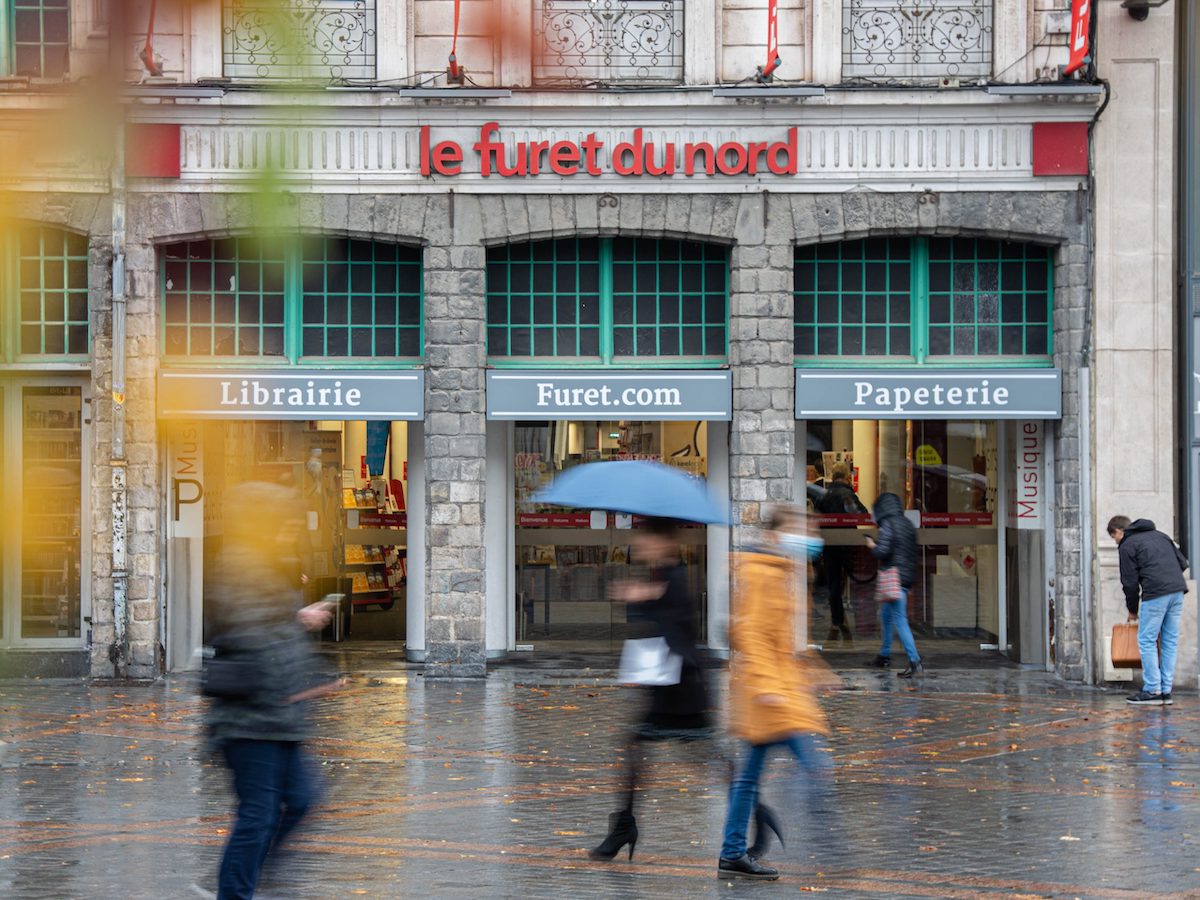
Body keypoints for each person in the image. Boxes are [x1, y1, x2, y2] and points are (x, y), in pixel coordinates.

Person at [201, 482, 345, 900]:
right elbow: (249, 635)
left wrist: (297, 617)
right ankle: (236, 889)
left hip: (278, 717)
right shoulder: (241, 565)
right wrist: (304, 683)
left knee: (301, 799)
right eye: (283, 523)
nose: (289, 531)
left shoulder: (267, 564)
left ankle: (247, 875)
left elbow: (269, 625)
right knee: (259, 815)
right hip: (250, 718)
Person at [718, 505, 835, 881]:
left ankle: (733, 852)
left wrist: (815, 671)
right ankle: (834, 853)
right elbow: (751, 634)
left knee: (748, 778)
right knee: (816, 767)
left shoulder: (782, 571)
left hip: (776, 694)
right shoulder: (763, 573)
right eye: (797, 529)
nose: (806, 537)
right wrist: (770, 687)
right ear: (774, 535)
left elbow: (781, 640)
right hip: (771, 697)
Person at [589, 517, 712, 863]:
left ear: (664, 542)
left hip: (681, 688)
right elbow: (653, 617)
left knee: (705, 760)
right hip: (666, 686)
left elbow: (674, 626)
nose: (639, 543)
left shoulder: (674, 576)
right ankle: (624, 826)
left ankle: (754, 811)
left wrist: (642, 596)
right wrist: (639, 595)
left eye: (646, 538)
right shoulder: (662, 575)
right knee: (634, 751)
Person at [1107, 515, 1189, 706]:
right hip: (1177, 591)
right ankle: (1166, 691)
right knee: (1169, 641)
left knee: (1146, 640)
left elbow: (1129, 583)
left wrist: (1132, 610)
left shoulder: (1127, 545)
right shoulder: (1161, 536)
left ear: (1119, 532)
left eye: (1114, 537)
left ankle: (1152, 689)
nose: (1116, 542)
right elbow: (1183, 563)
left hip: (1156, 594)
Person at [865, 492, 922, 677]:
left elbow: (882, 551)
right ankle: (884, 655)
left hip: (894, 579)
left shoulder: (888, 524)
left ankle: (915, 662)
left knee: (899, 619)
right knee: (887, 616)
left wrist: (872, 545)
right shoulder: (907, 524)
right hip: (904, 577)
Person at [816, 463, 868, 643]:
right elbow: (862, 514)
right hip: (848, 543)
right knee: (854, 581)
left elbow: (817, 518)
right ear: (846, 476)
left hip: (830, 545)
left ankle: (837, 620)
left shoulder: (825, 496)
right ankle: (859, 621)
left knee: (834, 585)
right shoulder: (847, 494)